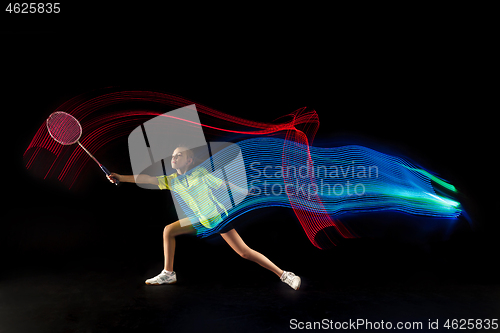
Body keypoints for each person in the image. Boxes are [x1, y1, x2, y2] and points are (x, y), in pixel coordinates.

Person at [107, 146, 301, 290]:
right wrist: (121, 177)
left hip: (216, 218)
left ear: (189, 161)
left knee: (244, 252)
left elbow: (222, 183)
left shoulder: (200, 173)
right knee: (169, 230)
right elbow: (147, 180)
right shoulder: (172, 180)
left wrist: (242, 190)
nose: (174, 158)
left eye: (179, 155)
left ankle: (285, 275)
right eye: (173, 155)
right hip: (198, 219)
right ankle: (168, 273)